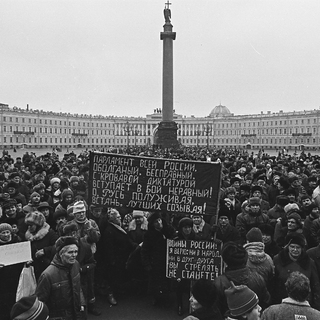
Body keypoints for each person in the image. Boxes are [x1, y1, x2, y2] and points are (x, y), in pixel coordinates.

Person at [214, 241, 270, 316]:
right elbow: (266, 302)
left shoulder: (219, 283)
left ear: (225, 261)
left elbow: (216, 310)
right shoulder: (258, 278)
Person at [36, 236, 85, 320]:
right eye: (70, 252)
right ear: (61, 253)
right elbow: (40, 302)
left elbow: (78, 286)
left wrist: (82, 303)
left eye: (76, 251)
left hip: (76, 314)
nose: (74, 255)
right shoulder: (47, 275)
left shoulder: (76, 264)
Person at [272, 232, 320, 310]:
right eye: (292, 247)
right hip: (283, 303)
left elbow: (316, 286)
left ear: (302, 248)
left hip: (304, 304)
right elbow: (273, 284)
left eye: (298, 247)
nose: (295, 250)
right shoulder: (278, 259)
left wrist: (316, 306)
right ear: (288, 247)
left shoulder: (309, 262)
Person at [141, 211, 175, 305]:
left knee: (167, 282)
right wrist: (147, 264)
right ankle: (157, 299)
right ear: (152, 224)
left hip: (168, 260)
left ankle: (166, 299)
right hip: (156, 262)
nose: (159, 223)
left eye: (159, 220)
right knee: (156, 283)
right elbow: (145, 250)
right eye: (156, 221)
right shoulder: (149, 235)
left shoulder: (169, 230)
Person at [0, 223, 24, 320]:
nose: (6, 235)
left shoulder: (17, 242)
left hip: (16, 277)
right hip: (2, 280)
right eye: (2, 233)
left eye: (7, 232)